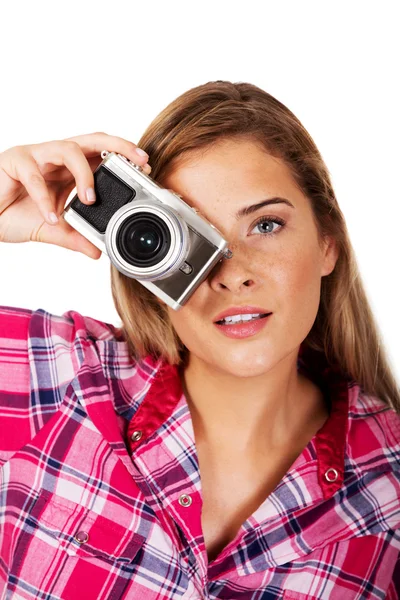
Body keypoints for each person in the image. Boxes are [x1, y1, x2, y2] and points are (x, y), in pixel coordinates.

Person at [0, 80, 399, 599]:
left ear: (328, 244)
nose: (232, 274)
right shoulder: (51, 375)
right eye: (190, 233)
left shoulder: (389, 489)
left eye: (267, 224)